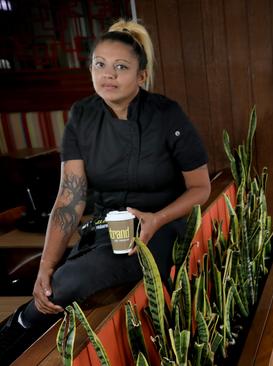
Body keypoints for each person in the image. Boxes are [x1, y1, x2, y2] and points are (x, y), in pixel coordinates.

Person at [0, 19, 211, 362]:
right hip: (106, 228)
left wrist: (157, 217)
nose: (108, 75)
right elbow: (70, 199)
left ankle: (17, 327)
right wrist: (45, 266)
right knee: (55, 278)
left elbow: (200, 187)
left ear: (141, 75)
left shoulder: (167, 115)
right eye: (100, 64)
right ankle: (25, 330)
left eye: (121, 67)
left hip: (160, 228)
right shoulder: (82, 117)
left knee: (69, 282)